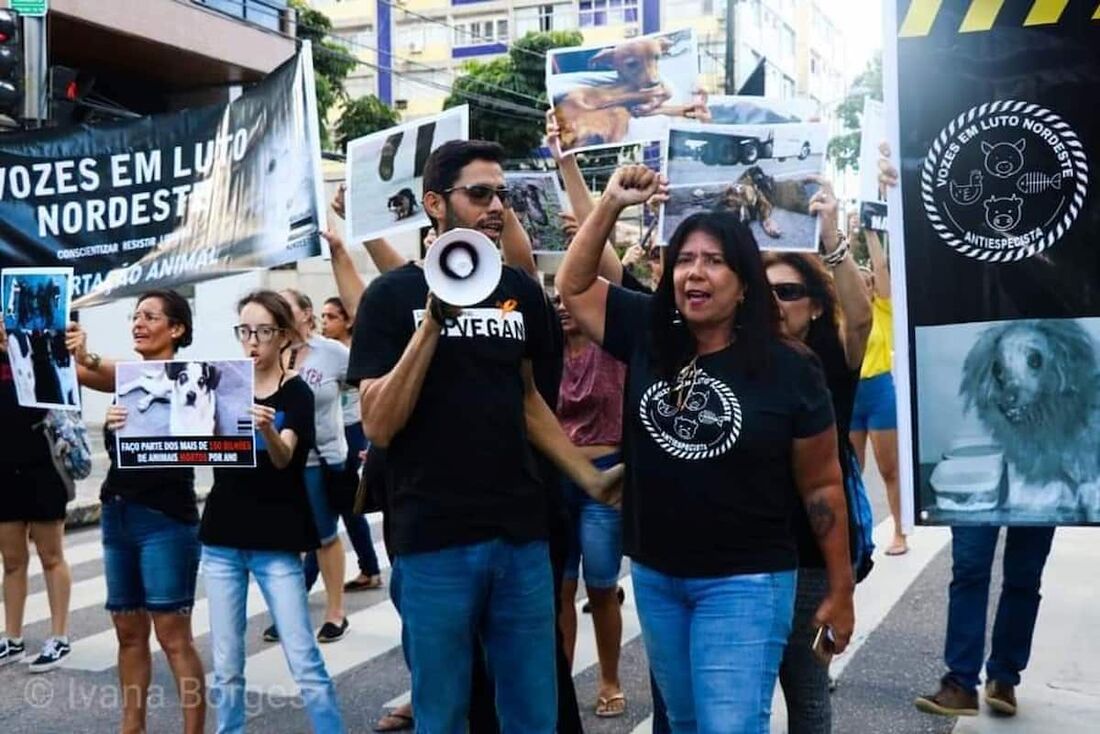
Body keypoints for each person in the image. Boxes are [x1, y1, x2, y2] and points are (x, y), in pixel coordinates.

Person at [556, 164, 856, 733]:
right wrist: (611, 203)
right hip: (657, 576)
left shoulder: (790, 368)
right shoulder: (649, 331)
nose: (696, 272)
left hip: (746, 582)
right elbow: (573, 286)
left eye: (715, 261)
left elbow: (822, 484)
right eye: (686, 259)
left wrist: (840, 587)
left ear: (744, 283)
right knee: (686, 723)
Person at [348, 139, 619, 732]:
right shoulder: (391, 297)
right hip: (434, 538)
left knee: (532, 711)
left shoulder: (519, 291)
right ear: (434, 204)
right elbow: (379, 422)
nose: (496, 206)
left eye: (502, 194)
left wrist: (589, 479)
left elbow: (527, 400)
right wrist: (431, 325)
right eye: (479, 194)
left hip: (519, 536)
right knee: (444, 711)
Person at [200, 290, 345, 733]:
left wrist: (267, 428)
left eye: (263, 331)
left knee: (302, 655)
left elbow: (286, 460)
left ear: (283, 336)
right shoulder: (222, 382)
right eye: (244, 331)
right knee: (226, 661)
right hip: (223, 535)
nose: (252, 341)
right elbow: (195, 445)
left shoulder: (296, 392)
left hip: (276, 537)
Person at [69, 290, 206, 733]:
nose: (138, 324)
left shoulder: (192, 381)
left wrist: (88, 357)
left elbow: (211, 445)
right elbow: (73, 371)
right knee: (128, 633)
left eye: (150, 317)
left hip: (166, 520)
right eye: (135, 316)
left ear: (177, 329)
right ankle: (132, 727)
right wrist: (66, 345)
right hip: (118, 514)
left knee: (173, 635)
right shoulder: (126, 380)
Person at [763, 183, 873, 734]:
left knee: (807, 697)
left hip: (813, 557)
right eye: (762, 294)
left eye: (787, 292)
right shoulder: (732, 355)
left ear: (814, 304)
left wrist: (831, 237)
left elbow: (861, 320)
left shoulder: (830, 357)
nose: (774, 305)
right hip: (747, 557)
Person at [258, 288, 349, 645]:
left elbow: (366, 384)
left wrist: (355, 434)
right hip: (277, 458)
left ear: (307, 313)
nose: (276, 312)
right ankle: (287, 614)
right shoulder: (268, 350)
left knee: (325, 535)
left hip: (320, 458)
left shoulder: (332, 353)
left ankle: (335, 612)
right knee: (284, 539)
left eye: (285, 307)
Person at [0, 321, 74, 672]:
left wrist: (17, 354)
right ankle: (12, 638)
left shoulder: (36, 349)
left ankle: (59, 637)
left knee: (51, 555)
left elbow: (49, 396)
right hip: (3, 470)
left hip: (42, 465)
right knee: (12, 560)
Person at [849, 190, 907, 557]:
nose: (865, 286)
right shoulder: (842, 314)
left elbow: (882, 270)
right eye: (860, 282)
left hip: (879, 392)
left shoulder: (882, 311)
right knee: (851, 473)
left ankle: (899, 532)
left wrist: (869, 233)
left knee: (890, 469)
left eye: (868, 282)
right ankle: (855, 537)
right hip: (851, 394)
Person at [320, 296, 383, 592]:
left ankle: (368, 568)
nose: (324, 322)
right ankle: (369, 568)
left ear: (348, 321)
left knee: (343, 503)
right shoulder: (322, 353)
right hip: (333, 430)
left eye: (331, 316)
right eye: (322, 316)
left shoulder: (355, 352)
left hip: (354, 428)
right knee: (343, 505)